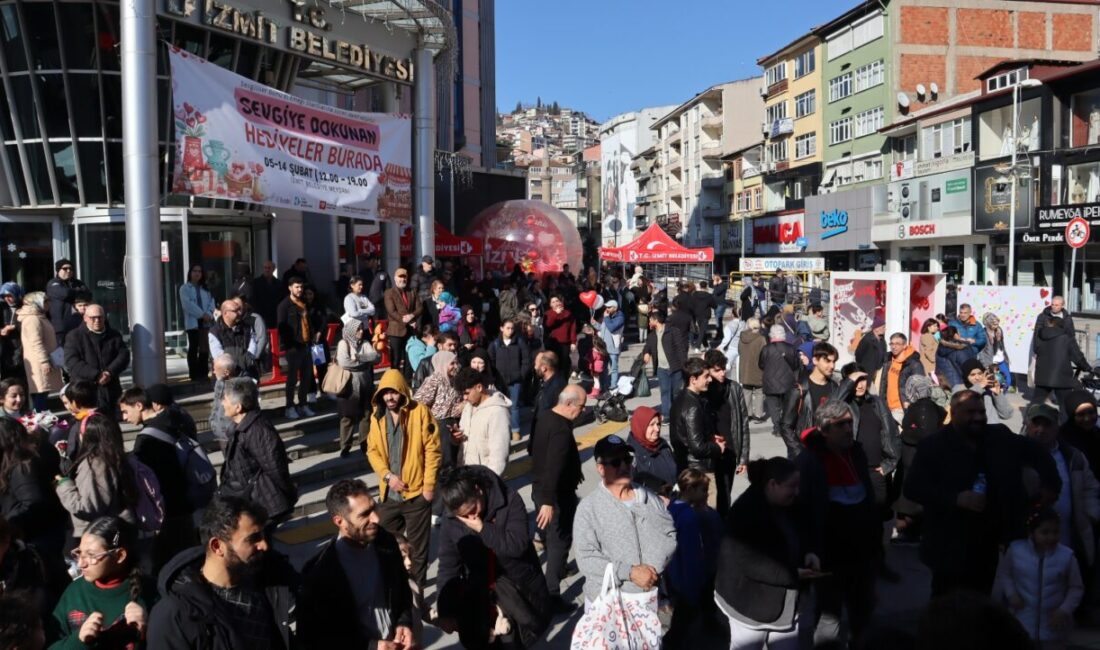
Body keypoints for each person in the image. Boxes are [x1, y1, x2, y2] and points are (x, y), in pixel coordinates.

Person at [905, 390, 1062, 596]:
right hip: (947, 541)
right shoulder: (933, 445)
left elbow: (1038, 453)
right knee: (947, 605)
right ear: (954, 413)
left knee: (980, 601)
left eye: (981, 412)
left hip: (986, 541)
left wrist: (1051, 485)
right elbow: (913, 488)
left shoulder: (999, 436)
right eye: (970, 412)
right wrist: (956, 498)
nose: (978, 417)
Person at [146, 496, 299, 649]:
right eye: (253, 539)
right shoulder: (176, 615)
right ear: (217, 546)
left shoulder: (269, 576)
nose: (264, 545)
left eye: (263, 536)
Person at [435, 465, 552, 647]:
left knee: (519, 640)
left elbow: (517, 546)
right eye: (463, 516)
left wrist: (483, 529)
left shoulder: (509, 499)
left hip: (517, 588)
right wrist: (445, 610)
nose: (472, 517)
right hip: (480, 597)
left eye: (473, 509)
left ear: (478, 490)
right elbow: (448, 564)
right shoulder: (452, 520)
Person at [796, 400, 880, 646]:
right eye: (840, 424)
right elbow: (803, 510)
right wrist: (810, 549)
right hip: (829, 555)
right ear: (824, 429)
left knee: (863, 612)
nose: (847, 429)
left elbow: (866, 496)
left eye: (850, 423)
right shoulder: (809, 461)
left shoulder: (856, 452)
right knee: (828, 617)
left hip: (861, 553)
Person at [298, 479, 415, 649]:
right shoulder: (319, 572)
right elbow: (317, 637)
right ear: (339, 521)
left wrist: (404, 622)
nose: (375, 518)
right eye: (364, 514)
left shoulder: (386, 543)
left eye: (374, 508)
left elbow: (402, 590)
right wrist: (371, 646)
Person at [716, 456, 818, 649]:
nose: (797, 492)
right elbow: (750, 562)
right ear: (772, 485)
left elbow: (806, 532)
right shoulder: (745, 512)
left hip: (788, 603)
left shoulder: (792, 505)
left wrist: (810, 552)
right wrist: (793, 574)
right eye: (791, 486)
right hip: (750, 605)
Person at [573, 434, 677, 609]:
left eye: (627, 460)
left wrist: (651, 571)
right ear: (600, 468)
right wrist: (630, 572)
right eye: (615, 462)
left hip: (646, 598)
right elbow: (586, 558)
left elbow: (669, 534)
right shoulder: (588, 508)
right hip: (607, 603)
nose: (623, 466)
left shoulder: (648, 497)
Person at [365, 369, 441, 587]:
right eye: (385, 393)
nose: (390, 397)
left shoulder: (420, 412)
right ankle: (391, 586)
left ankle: (417, 595)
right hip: (389, 496)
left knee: (418, 550)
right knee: (383, 543)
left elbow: (433, 451)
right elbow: (372, 451)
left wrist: (428, 487)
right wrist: (387, 476)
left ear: (403, 392)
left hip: (417, 495)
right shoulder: (376, 416)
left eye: (394, 392)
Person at [118, 385, 197, 571]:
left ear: (138, 405)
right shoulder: (176, 419)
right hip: (185, 501)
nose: (124, 417)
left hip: (168, 508)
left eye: (125, 411)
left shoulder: (147, 439)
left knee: (169, 563)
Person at [46, 517, 153, 649]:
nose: (80, 564)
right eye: (79, 553)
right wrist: (79, 641)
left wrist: (150, 629)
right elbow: (50, 645)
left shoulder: (151, 592)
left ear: (119, 555)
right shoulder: (74, 592)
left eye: (91, 555)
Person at [1025, 404, 1100, 577]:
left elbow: (1090, 488)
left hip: (1068, 538)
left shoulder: (1073, 456)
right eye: (1036, 424)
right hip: (1027, 542)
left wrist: (1089, 516)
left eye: (1047, 425)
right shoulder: (1016, 454)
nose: (1040, 430)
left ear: (1057, 427)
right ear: (1027, 425)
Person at [993, 507, 1084, 645]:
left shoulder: (1067, 556)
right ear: (1032, 533)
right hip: (1022, 623)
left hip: (1055, 628)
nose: (1051, 537)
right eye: (1045, 532)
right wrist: (1011, 594)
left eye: (1056, 532)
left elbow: (1076, 587)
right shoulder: (1016, 551)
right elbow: (1005, 574)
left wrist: (1064, 610)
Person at [530, 385, 585, 609]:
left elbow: (533, 448)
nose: (582, 411)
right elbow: (554, 467)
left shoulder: (544, 416)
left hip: (539, 488)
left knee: (555, 538)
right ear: (569, 404)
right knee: (559, 542)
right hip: (555, 496)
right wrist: (548, 502)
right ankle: (552, 594)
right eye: (581, 406)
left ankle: (559, 569)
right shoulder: (561, 430)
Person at [218, 378, 297, 527]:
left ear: (238, 407)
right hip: (248, 502)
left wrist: (288, 494)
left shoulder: (257, 430)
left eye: (226, 399)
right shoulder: (239, 427)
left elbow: (275, 467)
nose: (222, 403)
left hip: (263, 504)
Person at [54, 415, 136, 547]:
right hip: (114, 530)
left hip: (100, 537)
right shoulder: (115, 456)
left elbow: (87, 507)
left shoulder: (96, 464)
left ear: (85, 436)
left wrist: (64, 484)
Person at [665, 468, 723, 645]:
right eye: (703, 490)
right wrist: (694, 586)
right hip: (689, 582)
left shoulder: (672, 507)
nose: (707, 494)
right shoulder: (689, 517)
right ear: (690, 490)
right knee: (683, 624)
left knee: (683, 618)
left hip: (674, 576)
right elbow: (692, 556)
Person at [0, 417, 65, 553]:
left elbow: (32, 503)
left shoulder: (22, 467)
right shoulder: (17, 462)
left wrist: (7, 523)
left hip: (35, 540)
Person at [670, 358, 724, 506]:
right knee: (707, 514)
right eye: (706, 376)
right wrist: (717, 447)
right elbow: (697, 447)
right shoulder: (692, 405)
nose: (710, 380)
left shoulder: (680, 399)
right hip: (699, 472)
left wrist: (710, 437)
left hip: (686, 469)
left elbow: (688, 435)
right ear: (693, 379)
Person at [63, 304, 130, 415]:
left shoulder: (114, 335)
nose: (97, 320)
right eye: (92, 318)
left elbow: (123, 356)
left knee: (111, 425)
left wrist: (109, 372)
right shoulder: (74, 336)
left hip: (110, 389)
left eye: (100, 317)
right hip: (84, 390)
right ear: (85, 318)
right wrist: (96, 375)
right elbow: (72, 361)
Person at [453, 367, 511, 477]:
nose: (464, 398)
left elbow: (499, 455)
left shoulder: (498, 412)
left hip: (484, 481)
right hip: (466, 475)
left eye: (467, 393)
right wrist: (457, 438)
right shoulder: (468, 407)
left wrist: (488, 482)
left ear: (479, 387)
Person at [276, 276, 318, 419]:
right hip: (293, 347)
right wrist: (289, 344)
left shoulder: (304, 303)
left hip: (307, 345)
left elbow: (309, 322)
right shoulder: (284, 305)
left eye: (301, 287)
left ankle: (303, 404)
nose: (299, 290)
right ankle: (289, 406)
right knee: (292, 379)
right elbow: (281, 327)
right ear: (290, 288)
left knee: (307, 377)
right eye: (296, 287)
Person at [1032, 316, 1092, 411]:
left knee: (1036, 402)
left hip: (1042, 375)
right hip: (1061, 377)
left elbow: (1036, 350)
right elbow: (1077, 357)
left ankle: (1029, 422)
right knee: (1064, 405)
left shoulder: (1040, 336)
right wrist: (1087, 368)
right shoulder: (1067, 338)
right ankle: (1064, 424)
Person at [336, 319, 376, 458]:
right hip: (349, 385)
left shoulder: (364, 343)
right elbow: (344, 362)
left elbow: (375, 356)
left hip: (365, 383)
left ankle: (364, 443)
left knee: (366, 414)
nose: (361, 331)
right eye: (358, 329)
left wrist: (358, 357)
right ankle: (345, 446)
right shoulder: (343, 343)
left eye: (361, 329)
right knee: (348, 417)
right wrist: (364, 362)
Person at [16, 293, 61, 414]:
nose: (48, 303)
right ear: (37, 303)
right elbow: (36, 342)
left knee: (42, 392)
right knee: (41, 392)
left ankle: (41, 419)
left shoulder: (39, 316)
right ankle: (40, 422)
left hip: (42, 359)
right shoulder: (32, 319)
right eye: (45, 301)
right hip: (39, 361)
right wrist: (44, 361)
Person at [760, 324, 800, 456]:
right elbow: (795, 365)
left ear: (771, 335)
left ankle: (777, 428)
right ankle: (785, 426)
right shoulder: (791, 348)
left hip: (770, 382)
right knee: (786, 405)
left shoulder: (766, 348)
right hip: (787, 382)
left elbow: (760, 364)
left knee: (773, 406)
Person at [489, 319, 531, 439]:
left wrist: (521, 375)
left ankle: (515, 429)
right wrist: (493, 378)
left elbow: (526, 360)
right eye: (508, 328)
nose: (510, 330)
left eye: (512, 328)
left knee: (514, 405)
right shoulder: (495, 344)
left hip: (515, 380)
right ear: (501, 328)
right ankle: (503, 430)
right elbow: (490, 362)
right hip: (500, 381)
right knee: (500, 406)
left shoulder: (519, 343)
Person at [180, 264, 217, 382]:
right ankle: (194, 374)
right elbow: (187, 305)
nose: (197, 273)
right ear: (190, 273)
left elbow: (212, 303)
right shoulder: (185, 288)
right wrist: (202, 314)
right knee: (194, 347)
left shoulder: (205, 288)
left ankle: (203, 373)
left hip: (206, 323)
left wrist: (209, 314)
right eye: (195, 271)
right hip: (193, 322)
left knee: (205, 348)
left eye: (199, 271)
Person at [628, 406, 677, 494]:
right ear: (641, 426)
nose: (657, 429)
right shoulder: (631, 455)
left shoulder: (663, 445)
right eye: (652, 425)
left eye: (658, 424)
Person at [208, 299, 259, 381]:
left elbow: (252, 348)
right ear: (225, 313)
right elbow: (219, 356)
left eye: (239, 310)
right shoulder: (214, 332)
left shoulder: (247, 328)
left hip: (248, 373)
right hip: (226, 378)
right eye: (235, 311)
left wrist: (246, 361)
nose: (239, 313)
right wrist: (235, 365)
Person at [384, 267, 422, 375]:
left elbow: (419, 308)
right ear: (395, 279)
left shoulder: (412, 292)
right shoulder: (389, 292)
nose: (402, 279)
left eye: (404, 277)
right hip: (396, 331)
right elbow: (391, 311)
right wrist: (404, 320)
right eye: (400, 277)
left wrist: (412, 315)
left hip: (410, 331)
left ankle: (407, 382)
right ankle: (395, 382)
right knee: (395, 360)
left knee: (409, 358)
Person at [882, 332, 924, 425]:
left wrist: (910, 404)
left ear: (905, 345)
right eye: (892, 343)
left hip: (902, 408)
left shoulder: (914, 363)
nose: (894, 347)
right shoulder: (888, 359)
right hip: (888, 407)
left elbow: (920, 387)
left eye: (897, 344)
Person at [528, 351, 567, 448]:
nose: (535, 367)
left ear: (544, 368)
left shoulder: (556, 388)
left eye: (536, 364)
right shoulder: (544, 383)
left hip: (549, 442)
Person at [959, 358, 1014, 424]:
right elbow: (962, 409)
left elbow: (1007, 415)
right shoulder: (959, 389)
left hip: (992, 430)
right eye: (972, 375)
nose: (977, 377)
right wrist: (979, 387)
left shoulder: (988, 390)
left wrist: (998, 394)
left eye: (980, 373)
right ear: (966, 376)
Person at [45, 259, 88, 344]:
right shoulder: (53, 283)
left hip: (79, 325)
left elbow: (88, 295)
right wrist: (78, 291)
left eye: (71, 269)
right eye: (65, 269)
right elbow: (65, 293)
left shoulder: (78, 283)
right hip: (60, 327)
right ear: (58, 270)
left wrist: (74, 291)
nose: (68, 271)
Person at [737, 318, 767, 423]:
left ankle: (747, 414)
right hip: (758, 368)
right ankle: (758, 415)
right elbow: (765, 354)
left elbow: (739, 351)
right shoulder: (761, 339)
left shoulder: (742, 337)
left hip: (745, 368)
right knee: (759, 392)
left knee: (746, 391)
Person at [543, 295, 577, 377]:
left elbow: (572, 328)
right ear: (550, 305)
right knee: (553, 363)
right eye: (553, 302)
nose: (555, 303)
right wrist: (556, 313)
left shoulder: (568, 313)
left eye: (557, 301)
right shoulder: (548, 313)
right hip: (552, 342)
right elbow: (548, 325)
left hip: (565, 343)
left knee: (564, 363)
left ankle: (564, 382)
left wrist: (573, 342)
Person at [978, 312, 1012, 391]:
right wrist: (985, 364)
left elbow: (1001, 345)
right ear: (988, 324)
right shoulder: (983, 334)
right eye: (994, 324)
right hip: (990, 362)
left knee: (1007, 381)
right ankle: (993, 400)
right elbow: (981, 351)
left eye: (997, 323)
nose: (996, 325)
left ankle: (1001, 397)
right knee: (992, 383)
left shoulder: (999, 331)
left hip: (1001, 361)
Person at [595, 300, 625, 386]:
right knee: (604, 368)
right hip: (604, 347)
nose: (607, 309)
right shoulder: (608, 316)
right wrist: (594, 323)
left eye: (609, 307)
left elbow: (612, 328)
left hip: (613, 347)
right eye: (606, 307)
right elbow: (603, 328)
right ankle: (604, 385)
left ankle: (613, 385)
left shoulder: (620, 317)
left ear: (615, 308)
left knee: (613, 368)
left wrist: (606, 318)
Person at [854, 316, 886, 390]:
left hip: (878, 372)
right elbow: (858, 355)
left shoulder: (882, 340)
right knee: (866, 390)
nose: (885, 329)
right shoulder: (867, 340)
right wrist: (864, 366)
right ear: (876, 328)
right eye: (883, 327)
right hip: (867, 371)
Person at [251, 260, 285, 328]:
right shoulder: (256, 283)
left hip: (274, 315)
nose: (267, 270)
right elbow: (253, 299)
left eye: (269, 268)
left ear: (273, 269)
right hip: (261, 315)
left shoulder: (279, 283)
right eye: (265, 268)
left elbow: (281, 299)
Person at [0, 282, 23, 381]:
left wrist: (17, 326)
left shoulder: (24, 306)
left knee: (21, 380)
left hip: (22, 347)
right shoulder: (2, 307)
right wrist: (2, 330)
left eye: (10, 295)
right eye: (4, 296)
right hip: (5, 348)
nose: (7, 299)